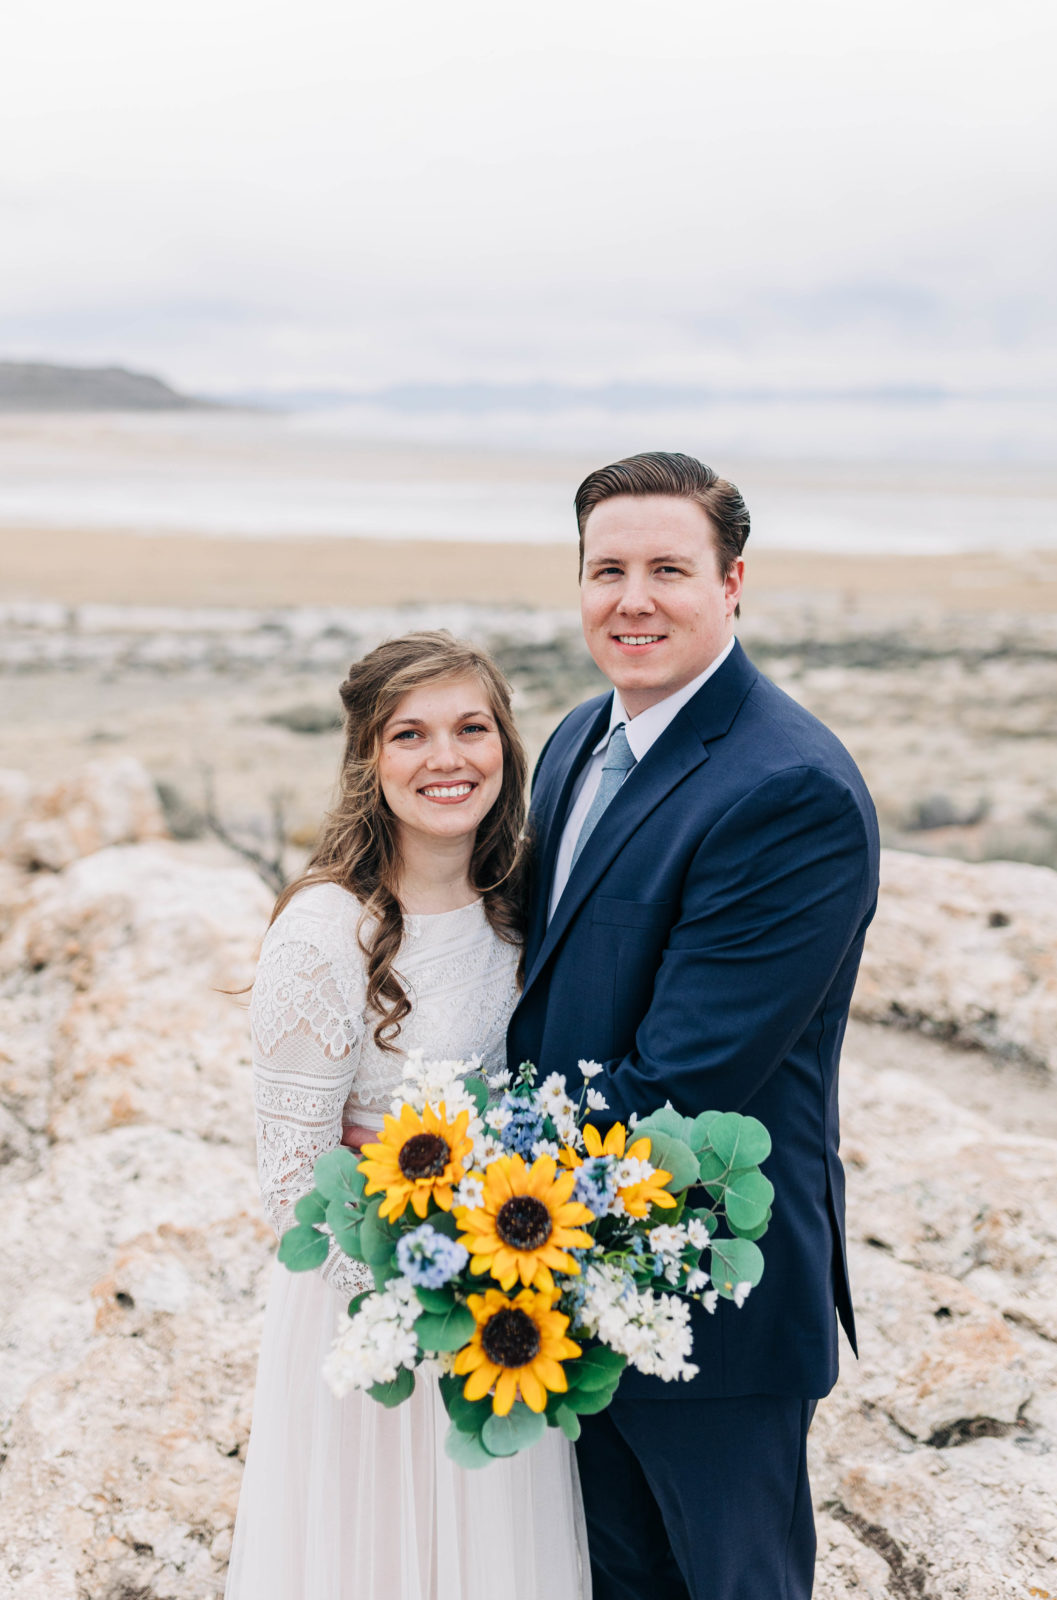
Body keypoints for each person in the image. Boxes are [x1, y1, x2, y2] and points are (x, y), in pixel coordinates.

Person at [507, 453, 880, 1600]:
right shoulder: (577, 739)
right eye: (604, 569)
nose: (632, 599)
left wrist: (480, 1182)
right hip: (572, 1276)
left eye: (667, 568)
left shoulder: (786, 787)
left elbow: (688, 1076)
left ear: (730, 584)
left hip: (712, 1301)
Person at [225, 631, 591, 1600]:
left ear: (504, 747)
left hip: (506, 1311)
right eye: (410, 734)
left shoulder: (519, 909)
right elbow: (292, 1183)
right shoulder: (323, 932)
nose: (446, 758)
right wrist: (423, 1301)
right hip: (373, 1317)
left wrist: (501, 1275)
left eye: (471, 727)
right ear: (368, 758)